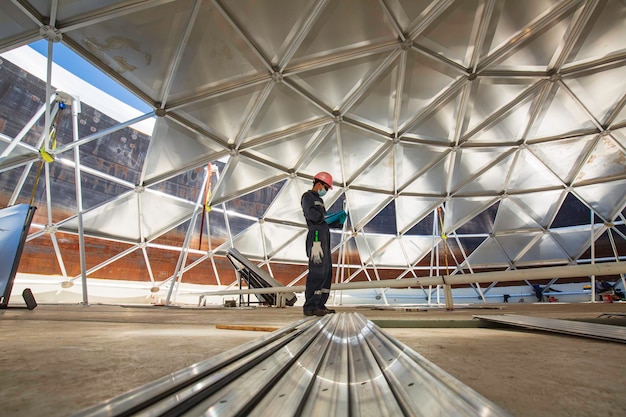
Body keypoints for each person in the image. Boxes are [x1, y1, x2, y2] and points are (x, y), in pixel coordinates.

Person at [301, 172, 346, 316]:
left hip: (324, 237)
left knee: (326, 272)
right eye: (325, 187)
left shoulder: (319, 200)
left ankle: (320, 304)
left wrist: (337, 221)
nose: (325, 191)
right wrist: (324, 218)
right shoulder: (308, 197)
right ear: (318, 184)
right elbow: (312, 215)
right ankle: (310, 306)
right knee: (317, 271)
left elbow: (322, 220)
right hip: (316, 238)